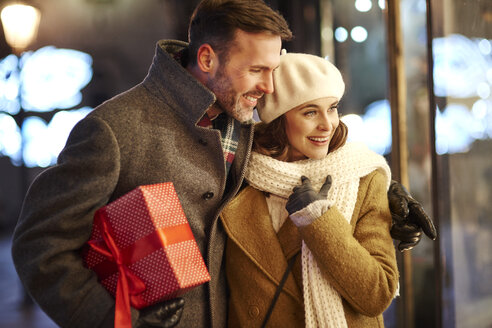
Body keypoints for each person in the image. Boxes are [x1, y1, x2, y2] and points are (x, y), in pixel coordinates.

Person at [11, 0, 434, 327]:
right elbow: (40, 245)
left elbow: (306, 155)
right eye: (257, 70)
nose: (269, 86)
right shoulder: (114, 129)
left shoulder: (247, 118)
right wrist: (112, 320)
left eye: (273, 69)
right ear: (208, 59)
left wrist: (383, 188)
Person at [221, 52, 399, 327]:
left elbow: (377, 294)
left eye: (332, 108)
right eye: (310, 112)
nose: (327, 124)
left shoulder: (362, 177)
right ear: (279, 119)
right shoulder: (238, 176)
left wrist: (319, 219)